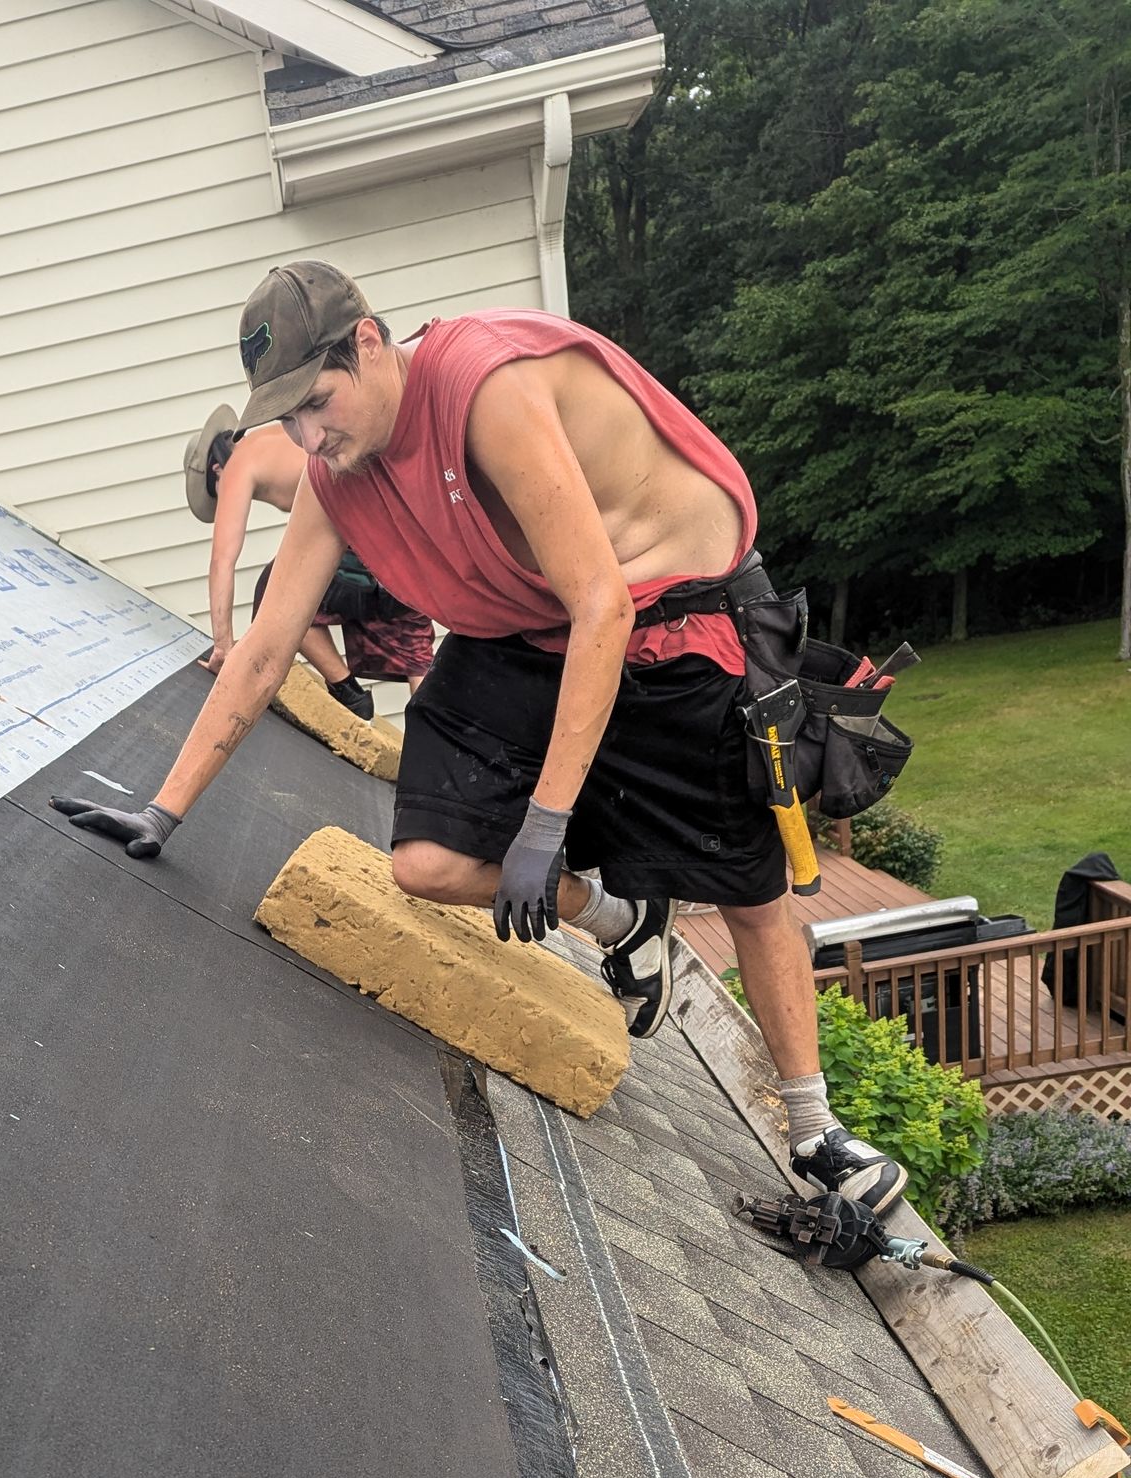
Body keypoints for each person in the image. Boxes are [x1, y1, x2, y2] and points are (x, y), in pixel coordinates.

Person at [63, 264, 907, 1212]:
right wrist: (162, 809)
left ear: (370, 343)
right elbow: (264, 652)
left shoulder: (486, 389)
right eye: (288, 418)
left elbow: (602, 606)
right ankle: (623, 921)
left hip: (672, 613)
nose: (308, 436)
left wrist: (544, 822)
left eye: (318, 402)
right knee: (424, 863)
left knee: (746, 885)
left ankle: (817, 1129)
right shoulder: (337, 474)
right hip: (534, 623)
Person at [183, 401, 435, 721]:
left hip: (364, 526)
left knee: (276, 593)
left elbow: (222, 560)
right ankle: (434, 732)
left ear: (215, 470)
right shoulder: (269, 440)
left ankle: (348, 692)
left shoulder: (236, 465)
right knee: (414, 647)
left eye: (217, 493)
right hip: (399, 525)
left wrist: (223, 647)